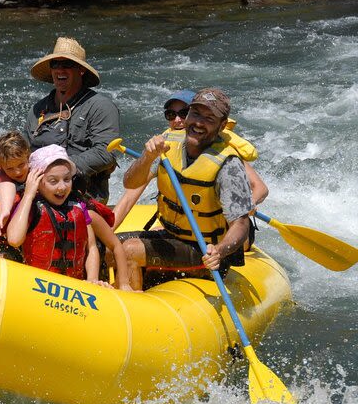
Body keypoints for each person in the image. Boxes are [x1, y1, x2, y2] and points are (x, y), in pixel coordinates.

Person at [121, 88, 253, 290]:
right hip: (172, 237)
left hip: (205, 249)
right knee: (110, 245)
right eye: (195, 114)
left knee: (129, 250)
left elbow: (241, 224)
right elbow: (130, 183)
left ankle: (132, 309)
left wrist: (219, 250)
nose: (198, 123)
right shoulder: (168, 144)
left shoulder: (228, 165)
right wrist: (147, 158)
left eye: (209, 118)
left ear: (222, 125)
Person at [111, 89, 269, 235]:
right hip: (182, 228)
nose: (178, 120)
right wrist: (108, 234)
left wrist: (248, 204)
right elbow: (129, 196)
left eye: (184, 113)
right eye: (171, 115)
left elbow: (260, 188)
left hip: (218, 233)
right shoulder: (165, 147)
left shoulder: (221, 153)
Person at [6, 145, 132, 290]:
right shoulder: (30, 208)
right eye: (53, 181)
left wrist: (95, 280)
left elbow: (91, 247)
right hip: (37, 287)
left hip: (73, 289)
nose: (62, 187)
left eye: (67, 179)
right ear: (37, 182)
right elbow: (14, 240)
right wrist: (28, 195)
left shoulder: (79, 208)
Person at [24, 37, 121, 204]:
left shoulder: (101, 107)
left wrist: (59, 169)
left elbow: (106, 153)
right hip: (39, 193)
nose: (60, 70)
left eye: (67, 65)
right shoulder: (38, 109)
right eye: (55, 64)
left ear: (81, 70)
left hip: (82, 197)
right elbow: (25, 150)